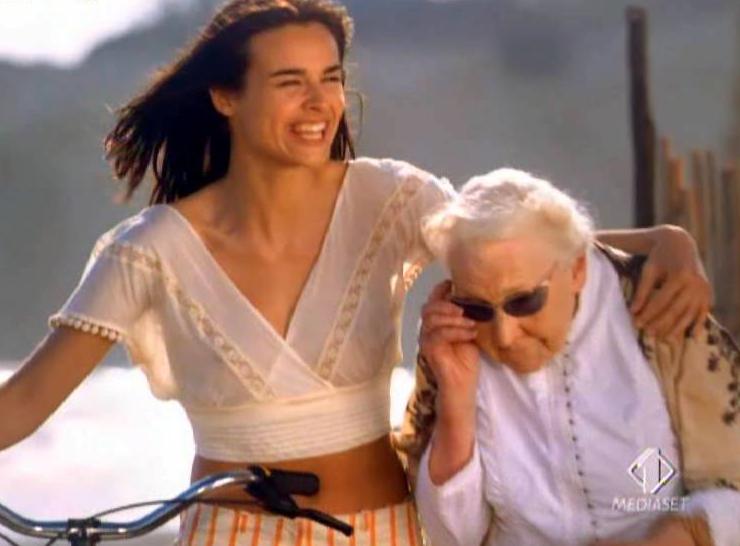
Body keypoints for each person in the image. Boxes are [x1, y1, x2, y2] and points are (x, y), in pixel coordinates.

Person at [0, 1, 713, 545]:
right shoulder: (150, 249)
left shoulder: (388, 197)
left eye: (331, 79)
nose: (320, 104)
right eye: (290, 82)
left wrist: (666, 240)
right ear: (225, 97)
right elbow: (25, 400)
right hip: (232, 536)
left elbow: (514, 247)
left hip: (386, 531)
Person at [400, 168, 740, 546]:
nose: (504, 335)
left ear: (577, 269)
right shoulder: (452, 337)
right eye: (478, 307)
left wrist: (681, 536)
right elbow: (452, 537)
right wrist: (456, 401)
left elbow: (733, 487)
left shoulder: (661, 310)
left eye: (524, 301)